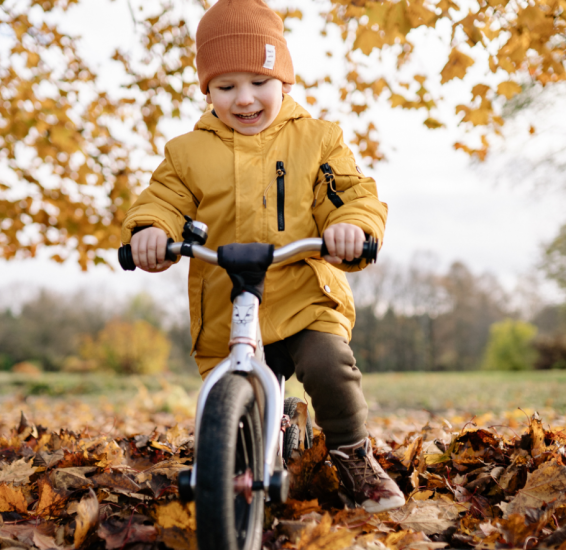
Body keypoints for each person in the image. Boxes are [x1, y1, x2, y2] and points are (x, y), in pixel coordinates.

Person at [120, 0, 405, 513]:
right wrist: (150, 231)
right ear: (207, 91)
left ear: (285, 82)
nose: (244, 99)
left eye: (259, 82)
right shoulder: (187, 153)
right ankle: (246, 462)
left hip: (301, 294)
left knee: (328, 366)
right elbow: (162, 199)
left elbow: (348, 194)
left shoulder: (318, 140)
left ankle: (353, 455)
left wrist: (349, 227)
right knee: (232, 404)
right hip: (230, 305)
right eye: (225, 87)